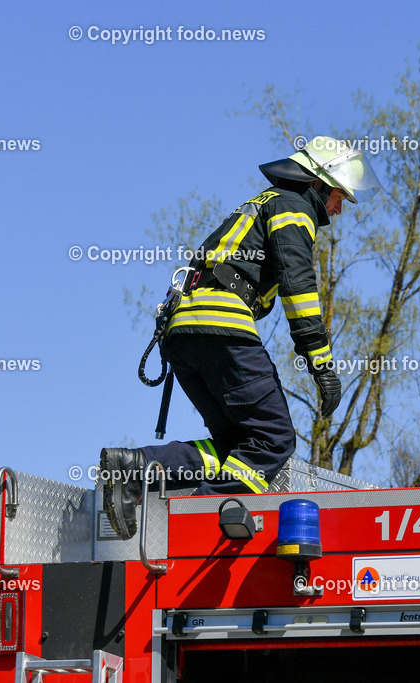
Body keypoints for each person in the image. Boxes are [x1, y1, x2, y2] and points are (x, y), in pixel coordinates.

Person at [100, 136, 383, 540]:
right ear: (319, 182)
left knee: (238, 447)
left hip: (184, 334)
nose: (338, 209)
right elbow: (298, 286)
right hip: (221, 327)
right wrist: (322, 365)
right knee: (274, 439)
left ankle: (135, 466)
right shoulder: (294, 206)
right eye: (340, 196)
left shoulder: (267, 201)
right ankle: (196, 524)